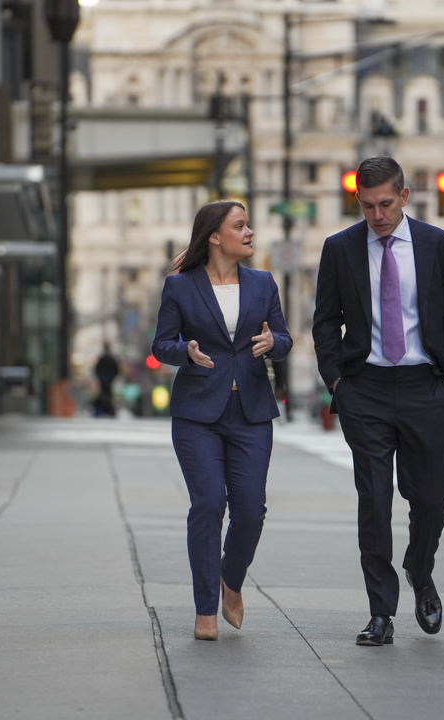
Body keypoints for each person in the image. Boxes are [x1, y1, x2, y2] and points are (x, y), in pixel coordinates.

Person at [312, 156, 444, 646]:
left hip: (426, 386)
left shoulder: (436, 245)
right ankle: (381, 613)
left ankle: (419, 571)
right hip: (367, 391)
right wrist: (339, 382)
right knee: (375, 503)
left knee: (431, 499)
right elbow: (324, 322)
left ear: (404, 196)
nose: (377, 215)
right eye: (366, 206)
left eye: (385, 204)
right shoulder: (339, 249)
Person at [152, 200, 292, 641]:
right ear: (215, 236)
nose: (249, 232)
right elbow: (161, 344)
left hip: (251, 412)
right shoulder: (180, 286)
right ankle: (205, 610)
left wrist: (273, 341)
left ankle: (232, 580)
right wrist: (185, 352)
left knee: (250, 511)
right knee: (209, 504)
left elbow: (284, 339)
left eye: (248, 225)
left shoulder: (263, 283)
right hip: (197, 414)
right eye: (239, 225)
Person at [94, 343, 119, 417]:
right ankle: (105, 409)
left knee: (106, 395)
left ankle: (106, 409)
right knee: (105, 395)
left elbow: (115, 370)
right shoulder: (108, 359)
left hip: (107, 381)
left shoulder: (107, 359)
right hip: (105, 381)